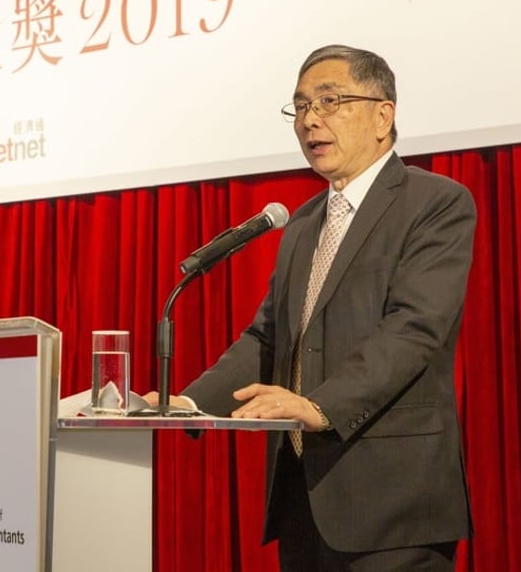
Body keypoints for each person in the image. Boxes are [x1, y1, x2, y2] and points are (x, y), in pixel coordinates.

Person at [148, 44, 475, 571]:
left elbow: (414, 329)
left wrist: (318, 407)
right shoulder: (302, 223)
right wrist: (186, 404)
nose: (309, 120)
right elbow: (267, 338)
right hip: (304, 500)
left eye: (329, 101)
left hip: (394, 502)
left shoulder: (434, 202)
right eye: (300, 106)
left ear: (383, 115)